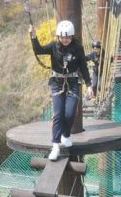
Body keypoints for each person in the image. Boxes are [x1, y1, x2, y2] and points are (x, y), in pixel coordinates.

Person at [29, 20, 94, 161]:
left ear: (71, 37)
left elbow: (83, 66)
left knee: (70, 114)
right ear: (58, 36)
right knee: (58, 114)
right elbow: (39, 50)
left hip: (73, 83)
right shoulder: (54, 46)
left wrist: (89, 85)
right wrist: (33, 37)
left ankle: (65, 135)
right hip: (57, 83)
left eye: (68, 37)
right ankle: (55, 145)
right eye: (62, 37)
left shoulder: (78, 48)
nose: (65, 40)